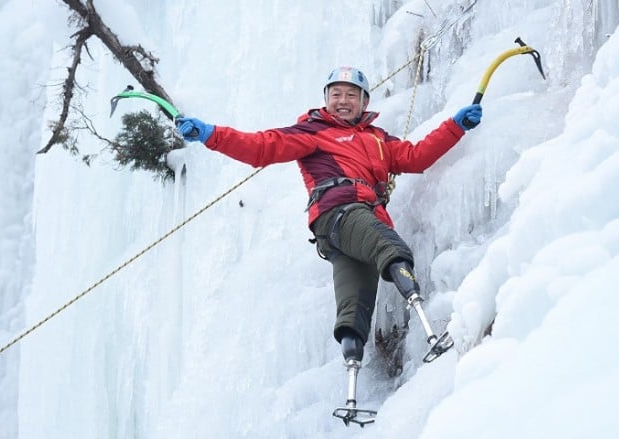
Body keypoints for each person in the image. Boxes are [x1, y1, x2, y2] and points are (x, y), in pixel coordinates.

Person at [177, 66, 481, 425]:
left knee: (354, 305)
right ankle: (432, 333)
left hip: (354, 226)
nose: (343, 101)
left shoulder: (380, 140)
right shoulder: (312, 132)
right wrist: (211, 134)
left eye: (351, 94)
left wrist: (455, 126)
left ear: (364, 102)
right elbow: (262, 147)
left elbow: (416, 157)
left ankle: (351, 398)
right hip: (339, 213)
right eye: (336, 94)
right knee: (390, 248)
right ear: (325, 99)